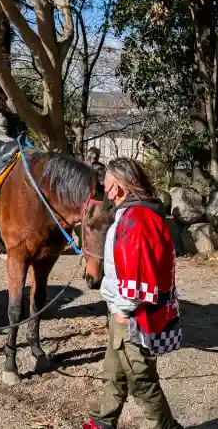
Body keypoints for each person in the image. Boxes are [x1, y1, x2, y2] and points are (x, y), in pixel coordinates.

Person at [82, 158, 182, 429]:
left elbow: (140, 275)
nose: (104, 188)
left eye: (107, 183)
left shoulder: (136, 219)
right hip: (123, 311)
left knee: (141, 380)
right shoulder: (130, 214)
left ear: (119, 187)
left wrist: (124, 310)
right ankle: (104, 420)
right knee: (113, 371)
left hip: (134, 315)